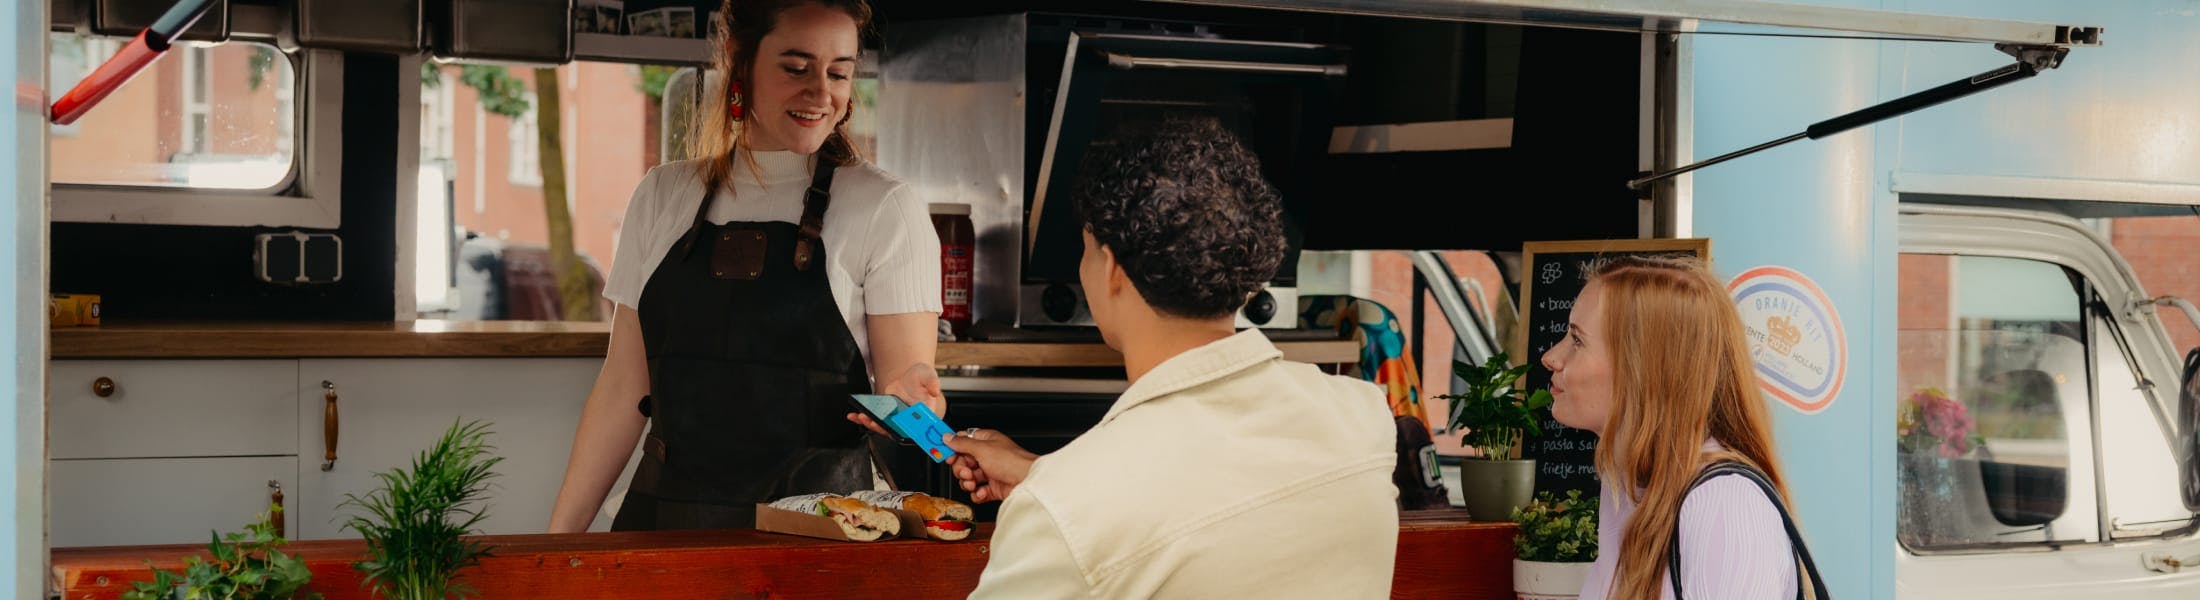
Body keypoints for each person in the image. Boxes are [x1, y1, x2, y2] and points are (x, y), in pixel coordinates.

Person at [943, 116, 1401, 598]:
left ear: (1113, 268)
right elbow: (1222, 493)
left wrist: (1052, 496)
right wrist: (1046, 477)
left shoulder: (1066, 509)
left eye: (1086, 249)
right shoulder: (1362, 419)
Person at [546, 0, 945, 533]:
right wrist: (555, 546)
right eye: (795, 67)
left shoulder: (886, 207)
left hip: (819, 536)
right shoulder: (662, 194)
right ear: (740, 61)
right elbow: (622, 390)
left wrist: (917, 415)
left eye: (840, 72)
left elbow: (910, 402)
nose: (821, 92)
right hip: (666, 525)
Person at [1540, 257, 1822, 598]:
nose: (1552, 357)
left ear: (1643, 369)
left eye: (1577, 340)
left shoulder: (1723, 504)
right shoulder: (1627, 488)